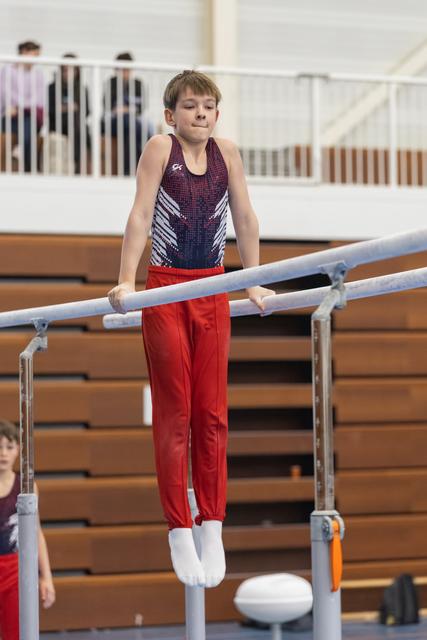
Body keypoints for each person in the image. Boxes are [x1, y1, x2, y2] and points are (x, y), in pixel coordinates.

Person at [108, 70, 274, 588]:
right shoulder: (161, 148)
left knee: (212, 413)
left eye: (208, 106)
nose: (200, 114)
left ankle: (212, 524)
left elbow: (244, 217)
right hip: (165, 288)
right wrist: (125, 281)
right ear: (170, 115)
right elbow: (139, 215)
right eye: (190, 106)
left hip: (212, 287)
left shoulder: (229, 153)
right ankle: (179, 527)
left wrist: (251, 281)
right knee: (175, 411)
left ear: (217, 114)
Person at [0, 420, 55, 640]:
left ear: (18, 452)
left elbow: (36, 534)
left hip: (15, 570)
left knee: (17, 632)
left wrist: (46, 577)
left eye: (9, 447)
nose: (3, 453)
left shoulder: (26, 487)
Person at [102, 52, 154, 175]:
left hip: (133, 122)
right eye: (121, 68)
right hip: (115, 121)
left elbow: (141, 106)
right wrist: (124, 110)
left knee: (136, 128)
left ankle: (138, 167)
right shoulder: (111, 83)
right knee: (131, 125)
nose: (125, 71)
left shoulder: (137, 84)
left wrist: (127, 110)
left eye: (127, 68)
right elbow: (107, 105)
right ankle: (129, 170)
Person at [0, 41, 44, 172]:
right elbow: (4, 92)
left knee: (28, 127)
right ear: (24, 52)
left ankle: (27, 167)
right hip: (8, 114)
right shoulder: (7, 70)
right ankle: (29, 169)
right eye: (34, 54)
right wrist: (14, 106)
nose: (36, 59)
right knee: (25, 129)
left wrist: (20, 107)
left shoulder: (38, 74)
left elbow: (38, 98)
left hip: (27, 115)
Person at [47, 53, 90, 174]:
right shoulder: (52, 88)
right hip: (58, 125)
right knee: (75, 120)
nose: (68, 73)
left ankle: (77, 164)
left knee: (77, 122)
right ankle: (77, 165)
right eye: (65, 70)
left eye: (71, 70)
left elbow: (86, 111)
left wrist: (65, 108)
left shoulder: (81, 89)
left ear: (77, 71)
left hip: (76, 126)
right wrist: (70, 108)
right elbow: (51, 110)